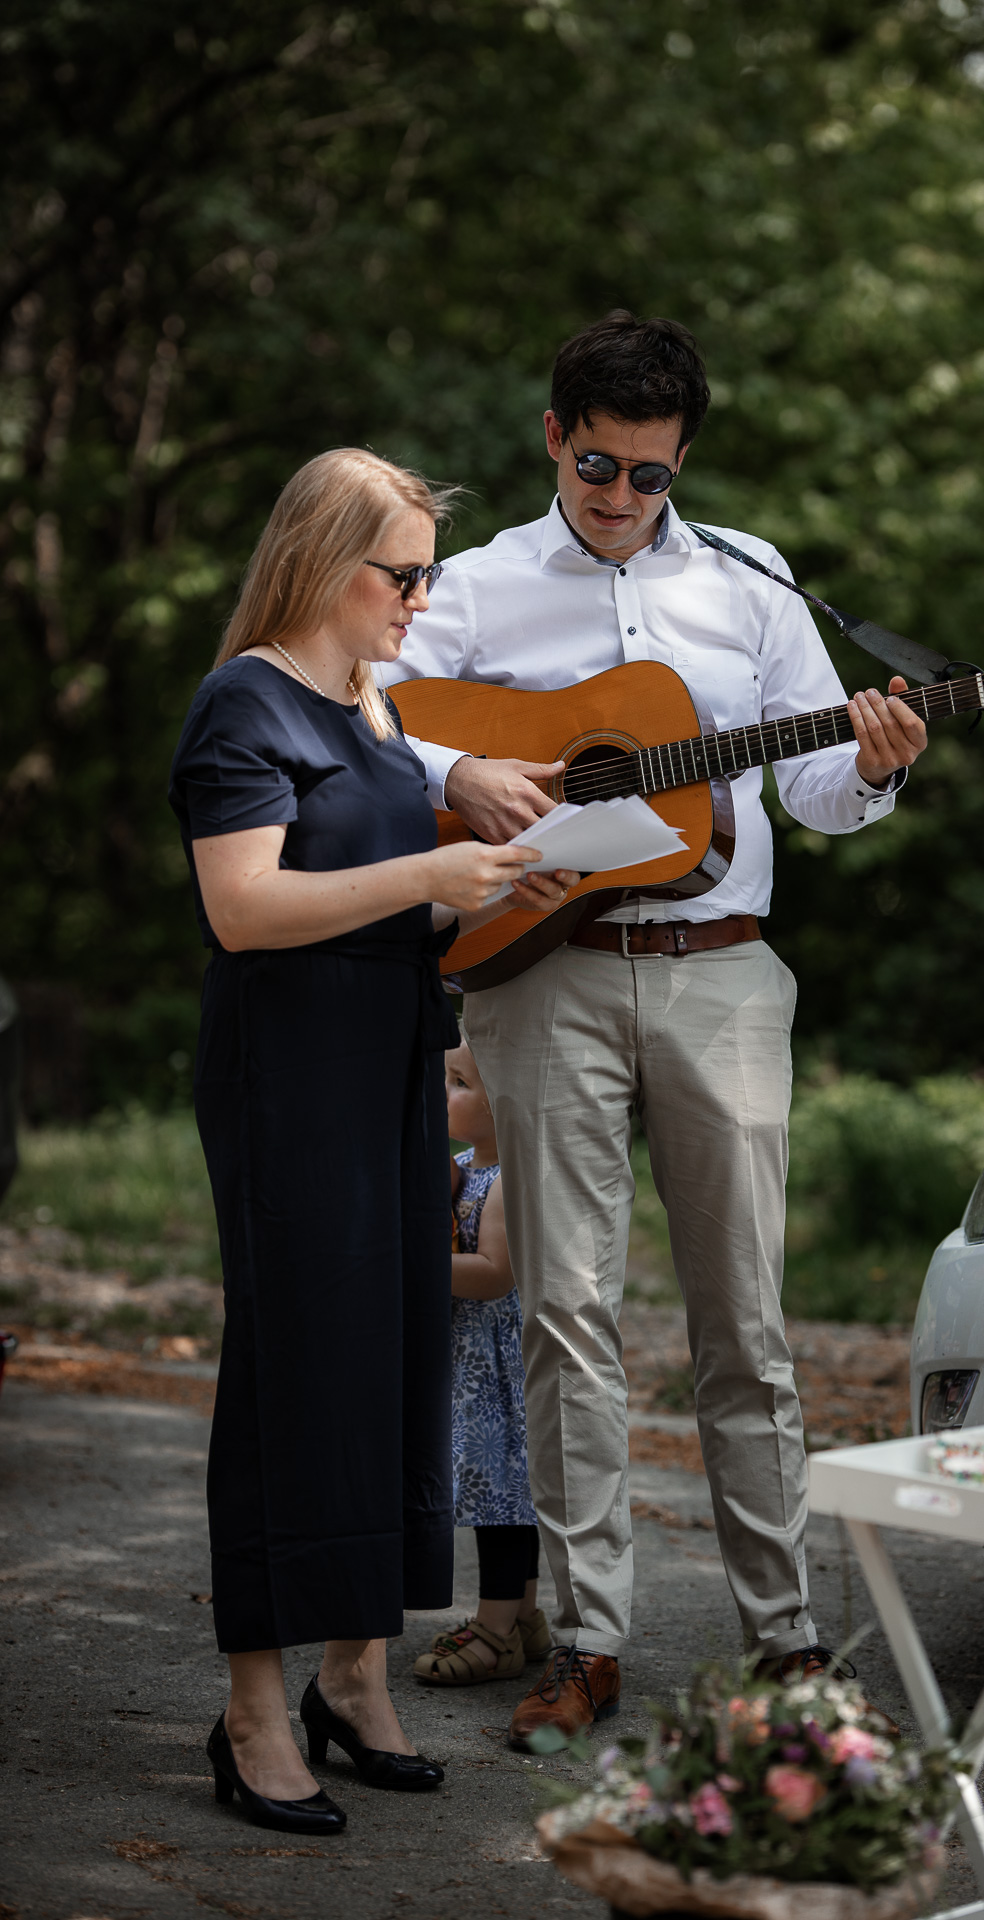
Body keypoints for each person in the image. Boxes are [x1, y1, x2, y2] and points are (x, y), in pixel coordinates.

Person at [382, 312, 928, 1748]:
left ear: (683, 463)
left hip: (721, 975)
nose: (619, 497)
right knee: (565, 1313)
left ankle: (788, 1639)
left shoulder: (752, 584)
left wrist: (870, 771)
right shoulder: (484, 582)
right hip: (535, 972)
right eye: (596, 465)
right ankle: (589, 1640)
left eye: (650, 474)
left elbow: (811, 791)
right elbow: (372, 711)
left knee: (744, 1322)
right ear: (553, 436)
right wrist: (471, 774)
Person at [167, 447, 578, 1834]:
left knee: (392, 1356)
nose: (420, 597)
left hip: (393, 1053)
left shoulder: (376, 709)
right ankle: (253, 1708)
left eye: (426, 574)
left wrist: (511, 893)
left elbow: (399, 908)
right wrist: (430, 870)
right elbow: (248, 909)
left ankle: (357, 1673)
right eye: (403, 573)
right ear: (327, 563)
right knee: (298, 1371)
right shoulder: (247, 705)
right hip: (291, 1070)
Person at [412, 1041, 551, 1686]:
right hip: (476, 1362)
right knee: (507, 1495)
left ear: (508, 1104)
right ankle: (522, 1616)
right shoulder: (469, 1165)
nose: (444, 1095)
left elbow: (495, 1274)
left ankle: (495, 1630)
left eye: (460, 1083)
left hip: (498, 1368)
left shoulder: (508, 1180)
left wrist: (408, 1266)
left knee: (503, 1500)